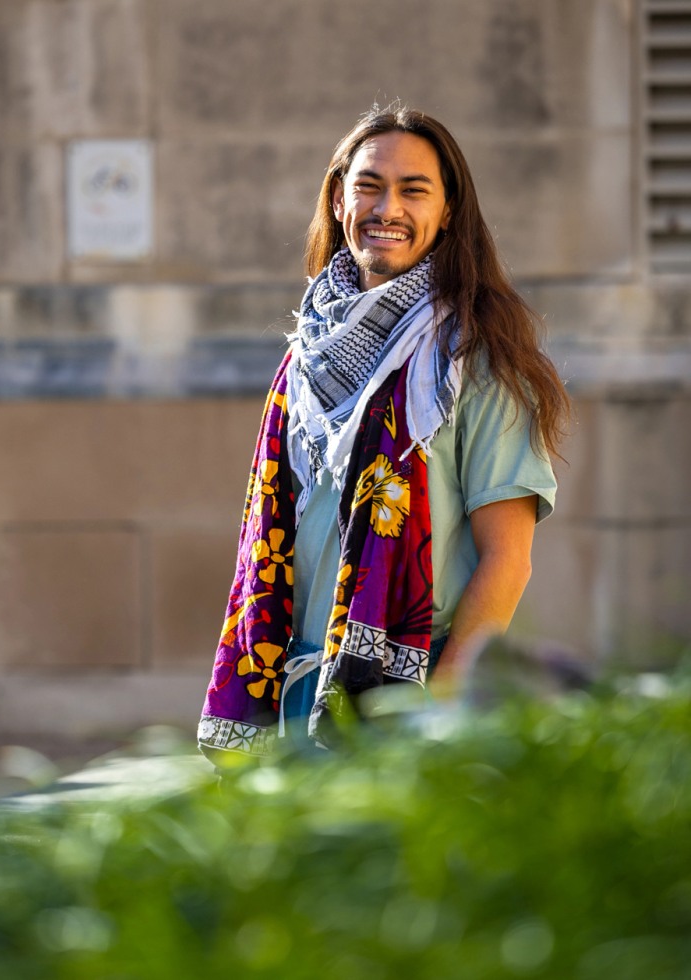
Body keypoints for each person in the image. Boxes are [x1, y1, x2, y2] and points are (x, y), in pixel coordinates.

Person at [197, 104, 570, 756]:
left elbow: (506, 559)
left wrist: (441, 708)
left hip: (407, 698)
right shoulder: (304, 354)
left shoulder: (475, 359)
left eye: (412, 189)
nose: (386, 207)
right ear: (338, 199)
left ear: (447, 211)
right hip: (289, 695)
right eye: (368, 185)